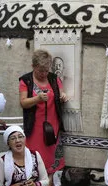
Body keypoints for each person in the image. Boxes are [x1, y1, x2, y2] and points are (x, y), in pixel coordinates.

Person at [19, 49, 69, 177]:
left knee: (51, 156)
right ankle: (35, 183)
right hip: (34, 125)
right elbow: (23, 102)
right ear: (33, 66)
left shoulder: (53, 79)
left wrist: (63, 96)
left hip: (52, 125)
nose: (44, 73)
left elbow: (61, 92)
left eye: (46, 70)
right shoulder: (26, 81)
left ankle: (50, 185)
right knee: (35, 155)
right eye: (41, 70)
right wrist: (38, 98)